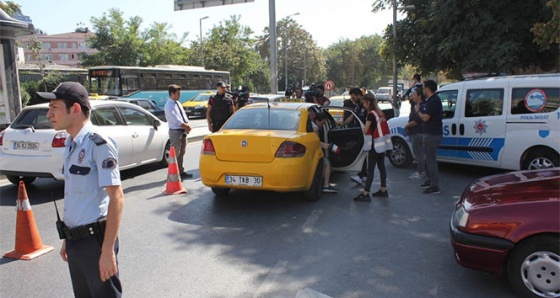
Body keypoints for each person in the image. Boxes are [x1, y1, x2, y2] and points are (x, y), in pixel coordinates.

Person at [39, 82, 124, 297]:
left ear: (75, 109)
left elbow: (117, 198)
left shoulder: (99, 143)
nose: (49, 114)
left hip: (96, 243)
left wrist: (107, 252)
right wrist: (69, 239)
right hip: (76, 242)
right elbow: (76, 197)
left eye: (54, 107)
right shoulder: (71, 142)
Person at [354, 93, 390, 202]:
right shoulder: (380, 113)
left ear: (368, 103)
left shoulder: (371, 115)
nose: (363, 106)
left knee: (370, 170)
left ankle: (365, 193)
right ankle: (383, 190)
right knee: (381, 167)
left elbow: (366, 130)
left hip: (374, 145)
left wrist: (362, 129)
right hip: (382, 144)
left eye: (364, 103)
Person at [415, 80, 443, 194]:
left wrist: (418, 112)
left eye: (424, 88)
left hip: (432, 134)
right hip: (429, 133)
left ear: (427, 89)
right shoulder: (430, 100)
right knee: (428, 159)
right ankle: (429, 180)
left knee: (431, 160)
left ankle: (435, 185)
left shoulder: (434, 101)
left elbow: (426, 117)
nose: (423, 90)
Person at [308, 106, 340, 193]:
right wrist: (325, 145)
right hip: (313, 153)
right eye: (322, 123)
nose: (322, 126)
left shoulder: (312, 125)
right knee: (326, 163)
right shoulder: (315, 128)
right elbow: (314, 141)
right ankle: (326, 185)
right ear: (317, 121)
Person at [164, 84, 193, 179]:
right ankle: (173, 173)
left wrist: (187, 125)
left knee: (182, 152)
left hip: (182, 131)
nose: (179, 95)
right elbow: (175, 120)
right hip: (175, 132)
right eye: (177, 93)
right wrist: (185, 126)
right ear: (172, 93)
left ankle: (180, 171)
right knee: (175, 153)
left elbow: (183, 116)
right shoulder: (169, 106)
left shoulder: (178, 103)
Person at [343, 87, 369, 185]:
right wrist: (342, 125)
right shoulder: (358, 105)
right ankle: (363, 175)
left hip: (364, 132)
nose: (352, 99)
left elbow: (368, 118)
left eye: (353, 97)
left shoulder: (365, 104)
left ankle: (362, 175)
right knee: (361, 153)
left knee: (362, 153)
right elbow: (352, 116)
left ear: (358, 95)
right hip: (359, 132)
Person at [404, 85, 426, 180]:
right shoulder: (415, 106)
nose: (412, 96)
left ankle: (421, 172)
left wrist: (407, 126)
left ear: (419, 96)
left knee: (418, 153)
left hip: (419, 133)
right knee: (417, 153)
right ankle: (421, 170)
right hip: (415, 133)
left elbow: (417, 121)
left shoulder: (421, 107)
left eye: (414, 94)